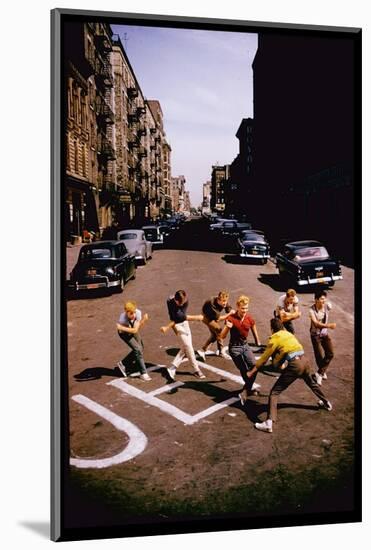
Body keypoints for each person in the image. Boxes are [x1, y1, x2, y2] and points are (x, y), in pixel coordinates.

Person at [247, 318, 332, 434]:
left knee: (274, 392)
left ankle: (269, 422)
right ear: (282, 326)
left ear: (272, 329)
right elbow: (286, 352)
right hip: (305, 361)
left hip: (295, 365)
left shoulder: (274, 338)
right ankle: (327, 403)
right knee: (311, 383)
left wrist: (252, 371)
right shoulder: (288, 334)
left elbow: (264, 357)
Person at [219, 295, 262, 405]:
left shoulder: (249, 318)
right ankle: (248, 389)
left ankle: (246, 390)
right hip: (234, 348)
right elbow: (222, 337)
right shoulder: (231, 318)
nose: (245, 310)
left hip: (245, 345)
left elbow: (253, 326)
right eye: (243, 308)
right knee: (244, 370)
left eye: (246, 308)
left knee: (254, 366)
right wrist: (227, 327)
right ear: (238, 307)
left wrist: (257, 340)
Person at [161, 290, 206, 380]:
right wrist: (197, 318)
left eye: (184, 302)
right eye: (180, 303)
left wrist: (167, 327)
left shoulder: (185, 301)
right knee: (188, 346)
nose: (183, 304)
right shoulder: (169, 301)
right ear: (176, 300)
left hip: (184, 323)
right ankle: (197, 370)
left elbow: (183, 317)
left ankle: (172, 368)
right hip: (177, 324)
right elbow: (178, 318)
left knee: (186, 347)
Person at [116, 301, 151, 381]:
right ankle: (143, 373)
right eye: (131, 313)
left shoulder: (138, 313)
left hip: (132, 329)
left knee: (141, 347)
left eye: (134, 312)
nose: (133, 315)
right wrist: (121, 328)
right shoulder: (122, 319)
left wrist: (143, 320)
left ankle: (123, 364)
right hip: (124, 333)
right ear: (126, 312)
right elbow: (123, 331)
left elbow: (136, 329)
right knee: (137, 349)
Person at [197, 290, 234, 360]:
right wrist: (229, 314)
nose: (225, 303)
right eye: (223, 301)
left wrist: (228, 317)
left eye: (226, 301)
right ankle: (221, 352)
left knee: (215, 335)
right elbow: (219, 318)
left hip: (213, 316)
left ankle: (203, 350)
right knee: (219, 331)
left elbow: (228, 308)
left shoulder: (224, 300)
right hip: (206, 317)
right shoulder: (212, 305)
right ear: (218, 300)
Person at [309, 289, 336, 385]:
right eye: (321, 299)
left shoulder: (327, 306)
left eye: (324, 299)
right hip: (315, 335)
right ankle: (321, 373)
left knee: (330, 353)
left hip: (324, 334)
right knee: (319, 355)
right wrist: (329, 326)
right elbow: (316, 324)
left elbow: (329, 306)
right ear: (316, 300)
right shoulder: (311, 310)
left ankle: (319, 373)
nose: (323, 301)